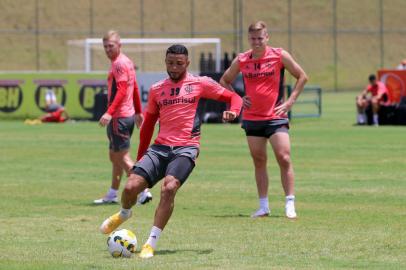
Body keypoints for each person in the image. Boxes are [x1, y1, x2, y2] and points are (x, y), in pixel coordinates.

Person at [99, 44, 243, 259]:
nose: (174, 68)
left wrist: (233, 111)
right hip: (159, 149)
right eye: (170, 63)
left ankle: (150, 242)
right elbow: (147, 126)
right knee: (130, 187)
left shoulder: (200, 83)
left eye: (179, 64)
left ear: (187, 63)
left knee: (169, 187)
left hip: (186, 148)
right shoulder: (158, 89)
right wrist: (140, 161)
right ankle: (124, 213)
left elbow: (235, 98)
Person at [220, 21, 308, 219]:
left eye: (260, 38)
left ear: (267, 37)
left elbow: (302, 76)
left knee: (284, 157)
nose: (257, 42)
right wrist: (238, 99)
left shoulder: (279, 55)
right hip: (252, 119)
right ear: (249, 39)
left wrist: (290, 102)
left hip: (276, 116)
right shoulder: (242, 59)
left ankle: (290, 203)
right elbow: (224, 80)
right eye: (253, 38)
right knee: (259, 161)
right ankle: (263, 206)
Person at [94, 30, 152, 205]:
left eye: (110, 46)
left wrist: (109, 113)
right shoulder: (127, 62)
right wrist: (138, 111)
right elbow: (133, 87)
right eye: (105, 46)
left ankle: (143, 190)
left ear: (119, 45)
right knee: (114, 156)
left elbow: (120, 91)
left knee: (122, 157)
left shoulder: (119, 64)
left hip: (119, 118)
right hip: (127, 116)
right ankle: (112, 193)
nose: (107, 49)